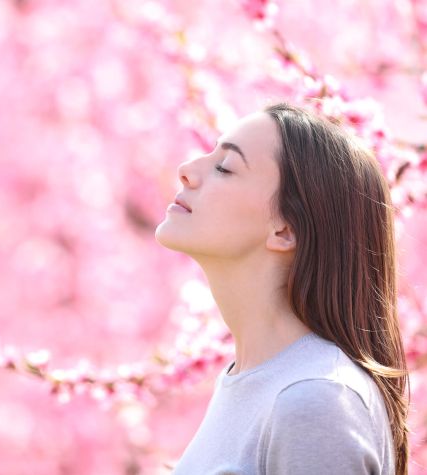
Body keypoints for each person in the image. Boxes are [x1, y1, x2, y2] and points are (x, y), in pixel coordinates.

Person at [154, 102, 411, 475]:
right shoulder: (253, 381)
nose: (187, 171)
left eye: (225, 168)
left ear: (285, 230)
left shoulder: (314, 398)